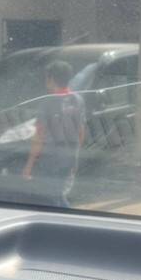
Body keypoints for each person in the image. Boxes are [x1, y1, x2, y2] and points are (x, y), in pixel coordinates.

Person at [22, 59, 85, 207]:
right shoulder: (78, 100)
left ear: (51, 79)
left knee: (52, 198)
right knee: (57, 194)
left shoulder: (47, 103)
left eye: (47, 77)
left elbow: (39, 136)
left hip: (50, 160)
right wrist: (75, 158)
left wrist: (29, 164)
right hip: (68, 157)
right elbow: (81, 132)